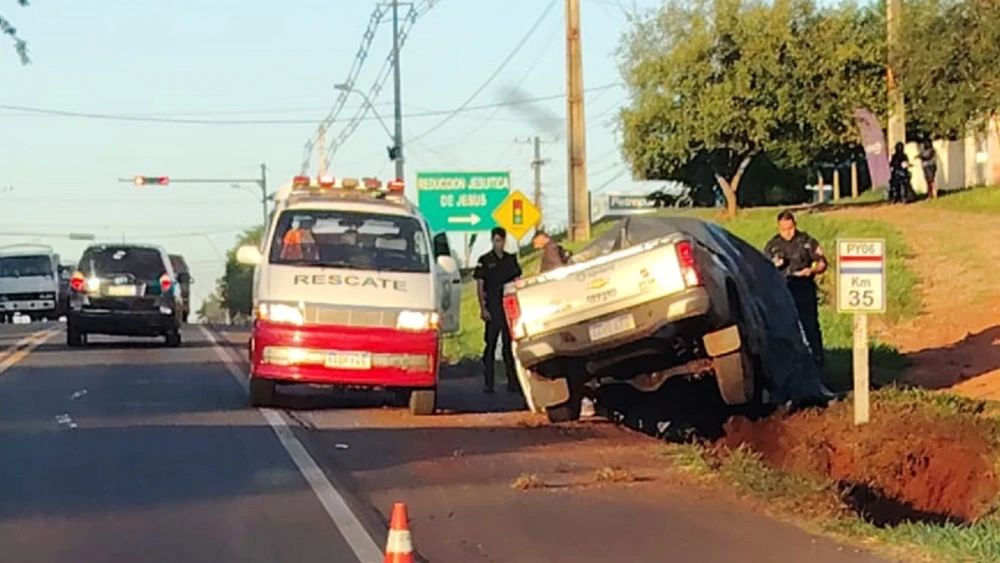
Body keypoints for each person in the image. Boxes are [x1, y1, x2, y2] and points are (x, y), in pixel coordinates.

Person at [764, 210, 828, 368]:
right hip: (782, 292)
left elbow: (822, 262)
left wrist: (811, 270)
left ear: (795, 225)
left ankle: (817, 361)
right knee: (782, 329)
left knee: (810, 326)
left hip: (803, 289)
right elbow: (762, 269)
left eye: (790, 228)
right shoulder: (773, 245)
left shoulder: (806, 241)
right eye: (784, 229)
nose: (788, 233)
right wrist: (774, 265)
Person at [473, 227, 522, 394]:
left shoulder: (510, 259)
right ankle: (489, 382)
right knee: (490, 346)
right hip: (492, 308)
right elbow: (480, 286)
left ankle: (512, 381)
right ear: (492, 241)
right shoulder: (485, 260)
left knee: (509, 347)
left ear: (504, 241)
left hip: (508, 309)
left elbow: (517, 281)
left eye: (500, 241)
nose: (498, 244)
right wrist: (483, 308)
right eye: (495, 241)